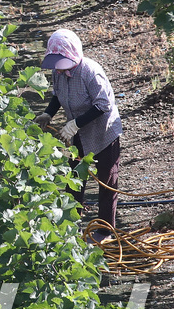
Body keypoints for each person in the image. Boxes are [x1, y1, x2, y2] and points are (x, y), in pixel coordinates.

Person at [34, 29, 123, 242]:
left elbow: (103, 105)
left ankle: (104, 231)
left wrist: (75, 124)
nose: (58, 65)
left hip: (104, 133)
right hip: (80, 135)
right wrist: (48, 113)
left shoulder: (90, 72)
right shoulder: (58, 72)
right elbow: (57, 96)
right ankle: (70, 224)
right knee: (74, 178)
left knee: (106, 181)